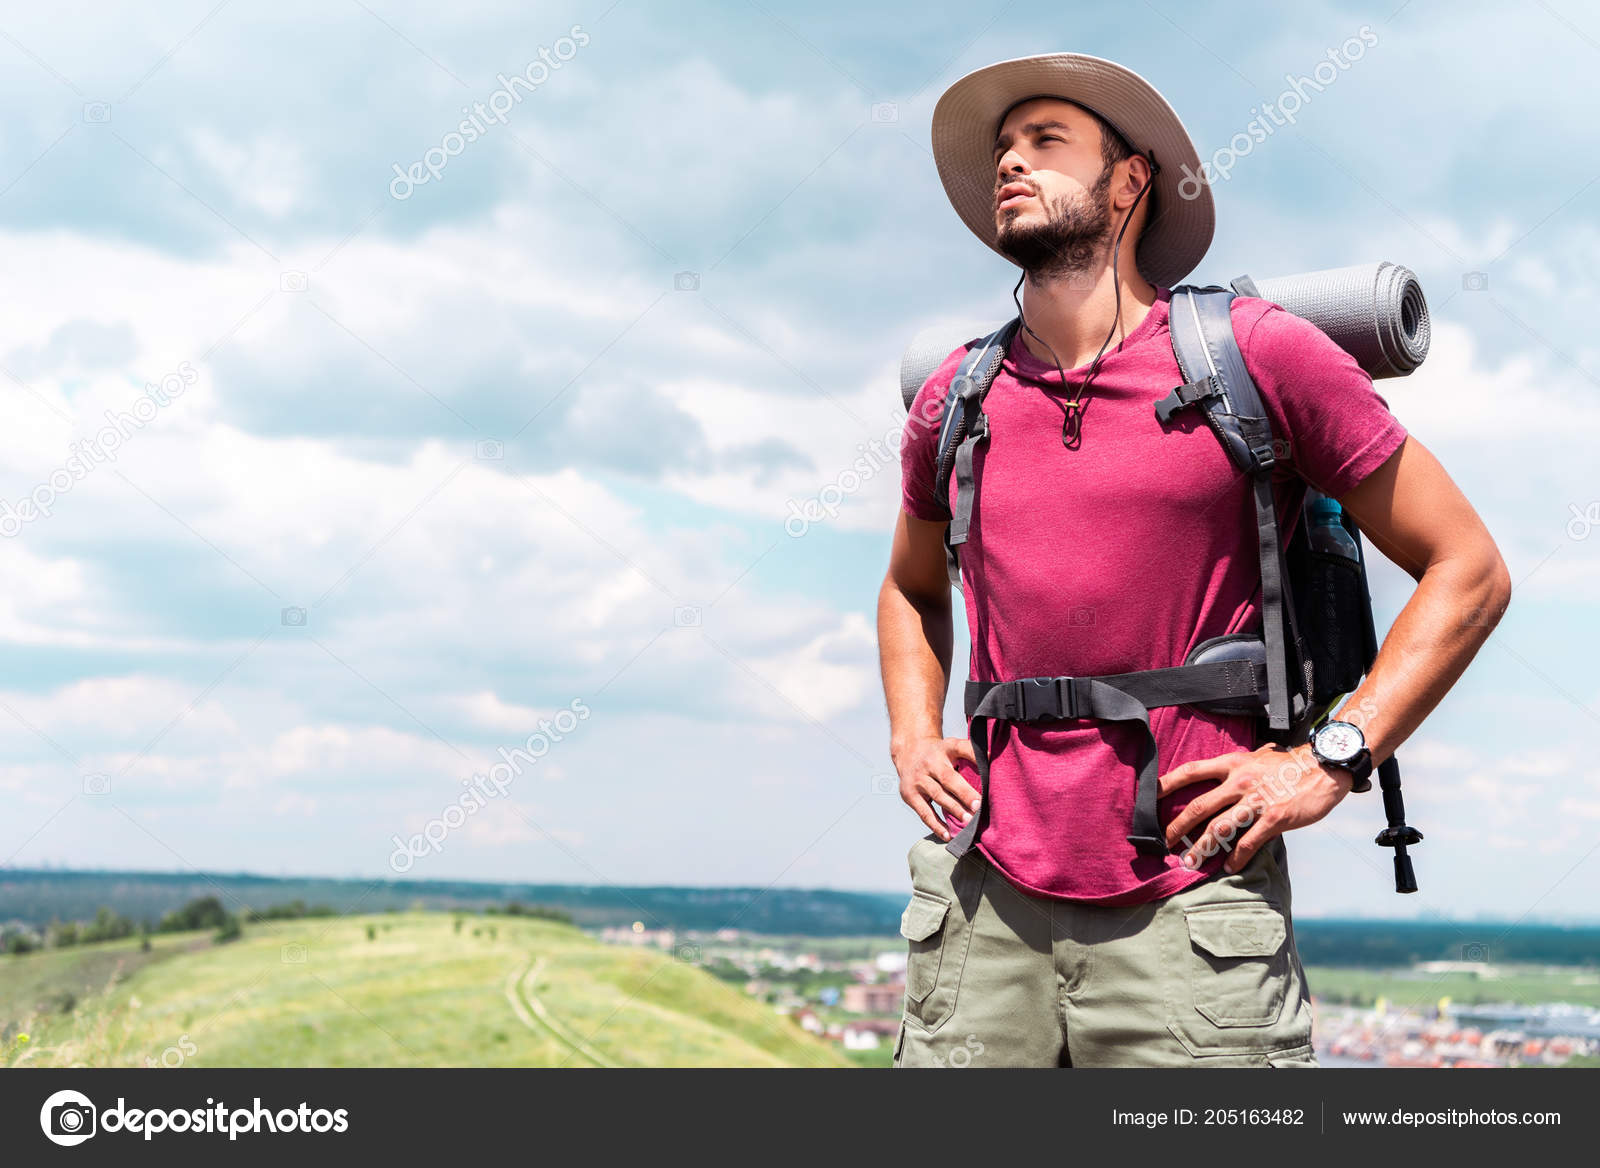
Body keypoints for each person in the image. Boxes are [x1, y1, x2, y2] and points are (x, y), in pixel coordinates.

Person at [878, 52, 1510, 1067]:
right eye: (1003, 149)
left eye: (1046, 141)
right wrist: (913, 734)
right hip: (980, 906)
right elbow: (912, 588)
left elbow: (1467, 567)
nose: (1009, 163)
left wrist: (1330, 757)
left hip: (1190, 907)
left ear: (1129, 180)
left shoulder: (1257, 356)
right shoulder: (956, 396)